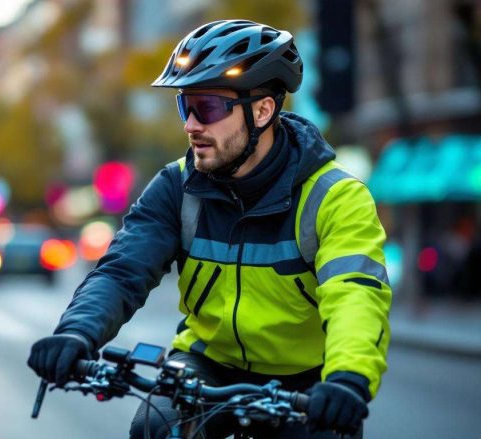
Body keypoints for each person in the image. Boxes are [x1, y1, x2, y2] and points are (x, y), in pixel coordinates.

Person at [28, 19, 391, 438]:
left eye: (209, 107)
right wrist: (76, 333)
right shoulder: (176, 185)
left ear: (263, 110)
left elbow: (356, 294)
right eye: (186, 105)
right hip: (205, 363)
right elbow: (121, 271)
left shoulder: (335, 196)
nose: (190, 125)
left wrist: (348, 378)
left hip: (307, 379)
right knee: (155, 427)